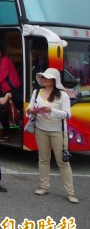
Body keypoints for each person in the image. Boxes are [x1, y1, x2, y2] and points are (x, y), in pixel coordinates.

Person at [26, 68, 78, 204]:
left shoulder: (63, 95)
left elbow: (67, 114)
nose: (43, 80)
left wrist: (51, 110)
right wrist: (30, 111)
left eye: (46, 78)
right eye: (42, 77)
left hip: (57, 131)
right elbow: (28, 110)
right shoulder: (36, 92)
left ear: (54, 80)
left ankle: (70, 192)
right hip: (40, 129)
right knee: (43, 159)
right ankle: (44, 186)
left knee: (63, 162)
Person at [0, 46, 22, 140]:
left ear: (1, 51)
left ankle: (8, 132)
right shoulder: (0, 61)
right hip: (8, 89)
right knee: (7, 110)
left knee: (6, 110)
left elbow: (2, 75)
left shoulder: (4, 60)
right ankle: (8, 132)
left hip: (12, 89)